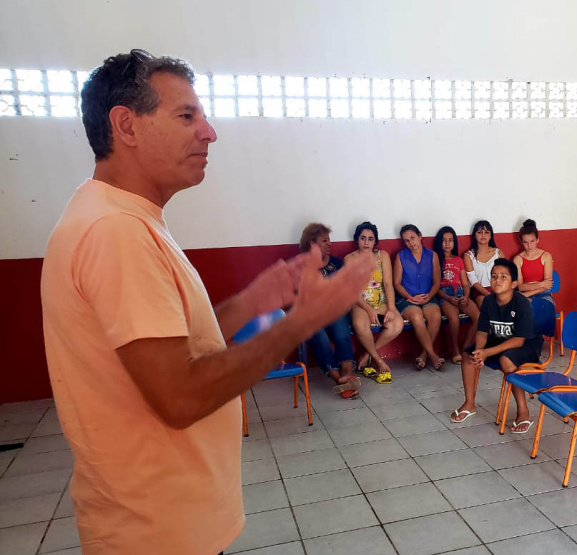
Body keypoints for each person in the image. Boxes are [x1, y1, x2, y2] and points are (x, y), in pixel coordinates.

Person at [39, 50, 373, 554]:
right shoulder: (116, 232)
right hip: (158, 534)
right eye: (186, 115)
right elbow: (181, 396)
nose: (209, 132)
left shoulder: (122, 217)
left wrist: (251, 302)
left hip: (165, 523)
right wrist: (301, 322)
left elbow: (178, 346)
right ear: (126, 125)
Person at [450, 259, 544, 434]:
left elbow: (519, 341)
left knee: (506, 360)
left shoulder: (521, 303)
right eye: (494, 276)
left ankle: (523, 412)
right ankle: (469, 404)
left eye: (503, 277)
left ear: (514, 283)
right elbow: (482, 331)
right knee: (467, 356)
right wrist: (479, 352)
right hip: (499, 341)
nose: (497, 280)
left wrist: (487, 352)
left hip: (527, 344)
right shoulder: (489, 301)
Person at [298, 223, 363, 399]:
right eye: (324, 240)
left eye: (329, 240)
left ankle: (347, 374)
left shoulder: (337, 263)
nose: (329, 243)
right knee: (321, 338)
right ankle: (340, 380)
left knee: (342, 334)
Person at [346, 221, 403, 384]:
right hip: (359, 302)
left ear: (375, 241)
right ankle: (379, 361)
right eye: (363, 238)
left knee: (396, 324)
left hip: (382, 300)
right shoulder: (349, 259)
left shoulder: (382, 256)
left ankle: (367, 355)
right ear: (356, 239)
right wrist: (369, 310)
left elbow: (388, 284)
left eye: (370, 239)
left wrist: (391, 308)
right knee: (360, 325)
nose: (366, 242)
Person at [393, 224, 445, 370]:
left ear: (420, 236)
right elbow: (396, 283)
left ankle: (423, 355)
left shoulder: (432, 256)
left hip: (428, 297)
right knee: (417, 317)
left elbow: (436, 282)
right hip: (406, 299)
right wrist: (410, 297)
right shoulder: (401, 256)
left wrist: (428, 298)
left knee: (435, 317)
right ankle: (433, 356)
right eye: (406, 240)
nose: (411, 243)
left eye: (413, 238)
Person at [434, 226, 480, 364]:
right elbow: (435, 286)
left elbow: (465, 284)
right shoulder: (436, 259)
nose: (447, 244)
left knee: (478, 316)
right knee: (454, 318)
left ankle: (465, 347)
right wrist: (448, 298)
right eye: (444, 240)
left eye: (450, 240)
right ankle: (454, 350)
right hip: (444, 294)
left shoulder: (459, 260)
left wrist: (466, 296)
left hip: (460, 292)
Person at [513, 219, 556, 305]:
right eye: (525, 242)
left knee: (543, 310)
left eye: (532, 241)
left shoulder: (546, 256)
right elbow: (521, 287)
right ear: (521, 242)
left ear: (537, 240)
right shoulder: (517, 259)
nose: (529, 246)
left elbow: (548, 285)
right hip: (524, 294)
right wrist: (541, 284)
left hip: (544, 294)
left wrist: (527, 293)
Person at [464, 220, 505, 307]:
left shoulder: (498, 253)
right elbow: (473, 281)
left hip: (498, 288)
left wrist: (499, 292)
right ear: (474, 235)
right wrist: (489, 295)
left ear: (491, 236)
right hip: (479, 291)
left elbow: (504, 275)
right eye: (479, 232)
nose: (483, 235)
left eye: (486, 232)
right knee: (487, 306)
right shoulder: (468, 256)